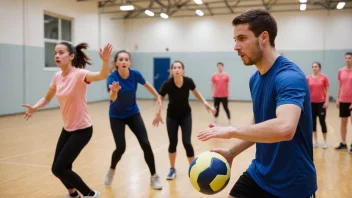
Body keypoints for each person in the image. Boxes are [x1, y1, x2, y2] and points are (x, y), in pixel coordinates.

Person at [197, 9, 317, 198]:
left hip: (292, 183)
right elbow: (258, 125)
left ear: (264, 37)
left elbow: (285, 128)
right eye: (235, 39)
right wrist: (231, 153)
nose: (236, 46)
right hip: (260, 173)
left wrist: (231, 130)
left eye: (242, 38)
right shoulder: (255, 79)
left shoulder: (289, 77)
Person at [22, 42, 113, 198]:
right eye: (55, 53)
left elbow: (102, 75)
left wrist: (105, 61)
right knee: (58, 168)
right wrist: (35, 107)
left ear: (71, 56)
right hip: (67, 129)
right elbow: (47, 97)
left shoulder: (80, 74)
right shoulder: (57, 76)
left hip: (82, 130)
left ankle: (90, 194)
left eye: (61, 52)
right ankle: (73, 194)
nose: (57, 55)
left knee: (60, 168)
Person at [104, 50, 163, 190]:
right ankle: (111, 170)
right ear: (116, 63)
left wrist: (157, 96)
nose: (124, 61)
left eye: (126, 59)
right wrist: (115, 91)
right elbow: (112, 98)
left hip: (133, 114)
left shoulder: (135, 74)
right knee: (120, 148)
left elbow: (147, 84)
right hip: (116, 116)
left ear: (129, 62)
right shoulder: (112, 77)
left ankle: (154, 176)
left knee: (145, 143)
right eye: (121, 59)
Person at [152, 61, 216, 180]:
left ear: (183, 70)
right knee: (173, 143)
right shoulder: (167, 84)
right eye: (174, 68)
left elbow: (196, 93)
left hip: (186, 116)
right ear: (171, 71)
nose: (177, 69)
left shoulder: (188, 81)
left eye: (179, 67)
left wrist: (206, 104)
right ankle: (172, 169)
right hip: (171, 117)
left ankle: (193, 168)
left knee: (187, 142)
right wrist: (157, 113)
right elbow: (159, 99)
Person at [306, 62, 330, 149]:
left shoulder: (324, 77)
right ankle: (315, 141)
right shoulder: (308, 78)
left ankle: (325, 141)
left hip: (321, 103)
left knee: (322, 122)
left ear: (319, 68)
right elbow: (306, 91)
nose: (314, 68)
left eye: (316, 66)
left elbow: (327, 90)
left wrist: (326, 101)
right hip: (311, 103)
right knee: (313, 123)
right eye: (313, 67)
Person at [335, 52, 352, 153]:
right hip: (343, 100)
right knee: (343, 122)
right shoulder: (341, 71)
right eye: (346, 58)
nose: (347, 60)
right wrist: (338, 98)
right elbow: (340, 85)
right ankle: (343, 143)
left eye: (349, 58)